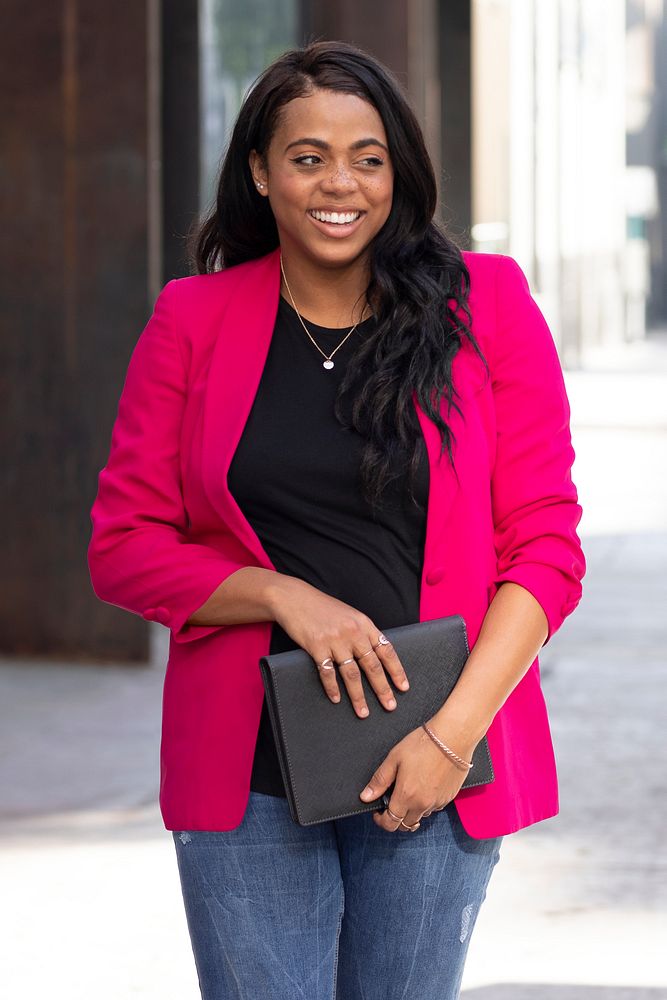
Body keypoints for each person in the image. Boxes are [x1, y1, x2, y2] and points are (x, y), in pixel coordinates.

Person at [88, 39, 585, 1000]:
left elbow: (544, 549)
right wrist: (282, 596)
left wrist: (450, 739)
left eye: (367, 157)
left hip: (436, 755)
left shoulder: (487, 307)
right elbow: (124, 547)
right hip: (251, 773)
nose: (339, 183)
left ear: (399, 172)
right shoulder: (193, 319)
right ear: (261, 173)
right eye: (307, 156)